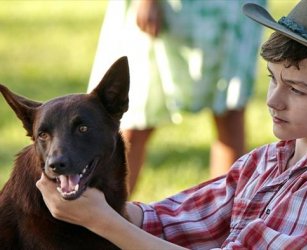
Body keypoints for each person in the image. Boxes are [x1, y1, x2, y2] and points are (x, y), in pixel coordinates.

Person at [37, 0, 307, 249]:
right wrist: (97, 205)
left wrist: (103, 222)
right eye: (273, 80)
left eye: (298, 90)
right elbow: (182, 217)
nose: (273, 100)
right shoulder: (267, 161)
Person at [87, 0, 267, 194]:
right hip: (171, 7)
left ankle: (225, 214)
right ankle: (105, 216)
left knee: (229, 109)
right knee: (136, 115)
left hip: (229, 9)